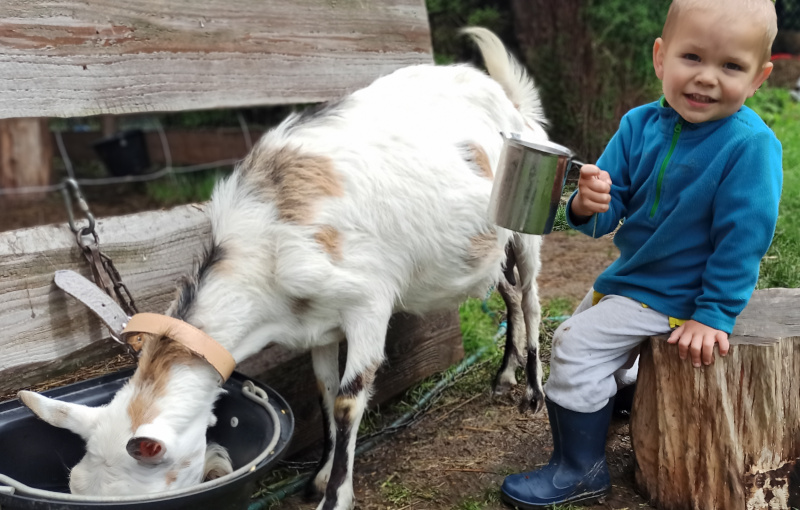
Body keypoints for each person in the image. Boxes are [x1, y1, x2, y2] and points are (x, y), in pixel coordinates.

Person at [500, 0, 783, 507]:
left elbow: (743, 240)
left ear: (759, 77)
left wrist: (713, 314)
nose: (707, 79)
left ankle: (579, 468)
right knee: (584, 324)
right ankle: (623, 394)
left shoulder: (749, 147)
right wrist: (588, 205)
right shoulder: (638, 125)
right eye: (691, 57)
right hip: (634, 278)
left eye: (731, 66)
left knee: (575, 345)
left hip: (681, 294)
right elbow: (611, 207)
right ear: (661, 56)